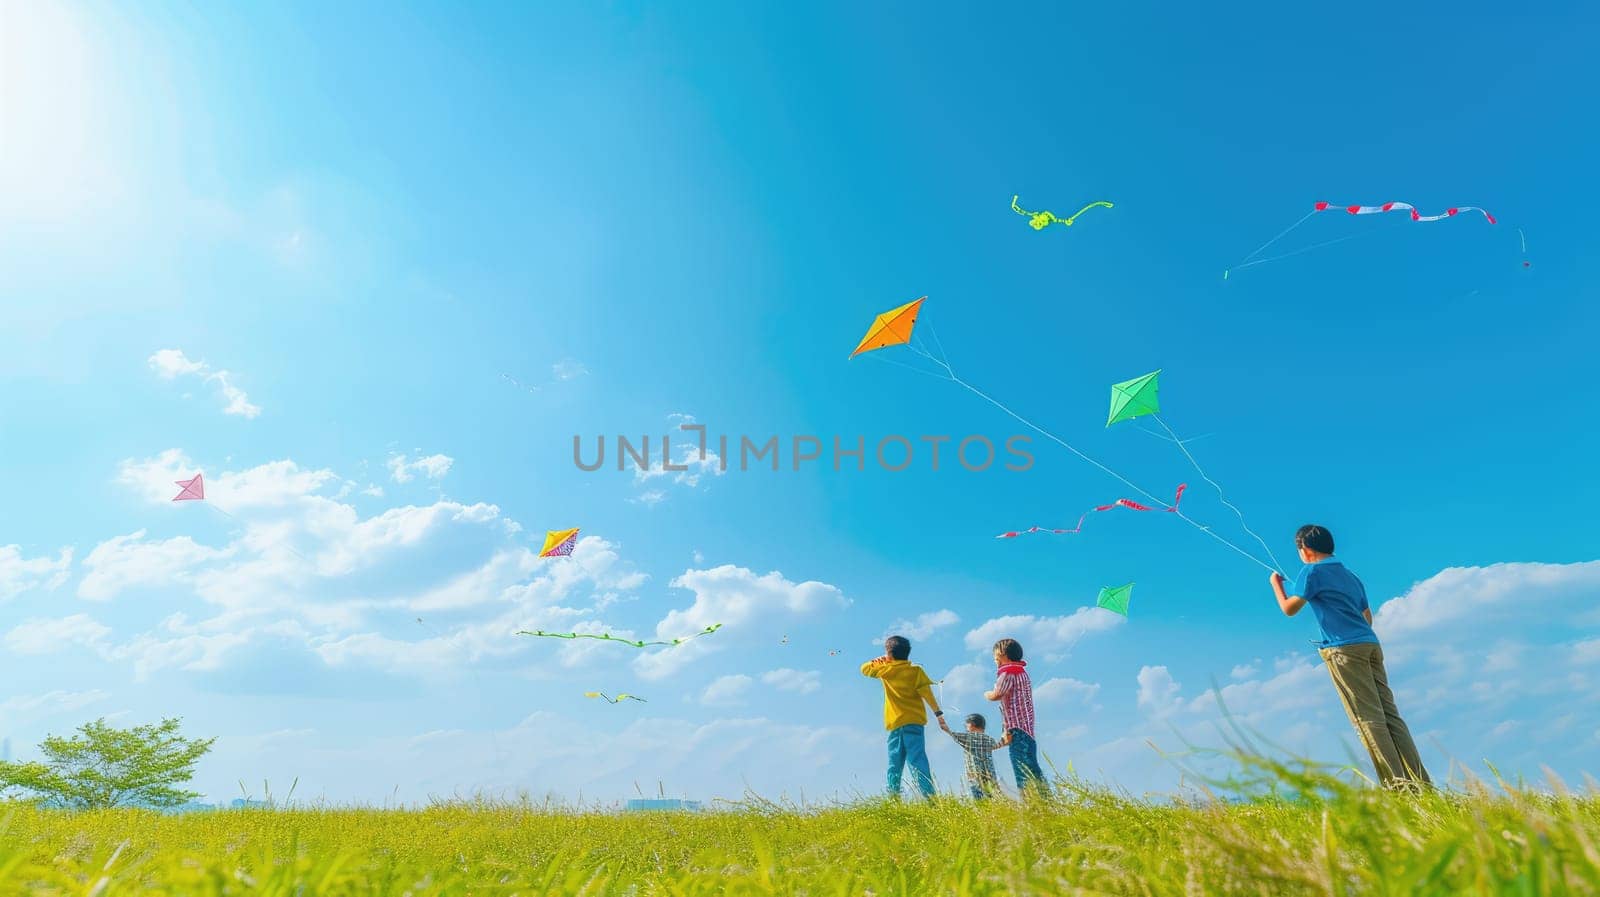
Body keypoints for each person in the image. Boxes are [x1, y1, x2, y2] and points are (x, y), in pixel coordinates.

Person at [1269, 524, 1430, 789]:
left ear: (1305, 550)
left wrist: (1276, 584)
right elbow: (1367, 616)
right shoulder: (1350, 575)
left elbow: (1289, 609)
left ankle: (1399, 789)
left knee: (1367, 718)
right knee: (1391, 716)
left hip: (1344, 650)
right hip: (1370, 645)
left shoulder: (1310, 571)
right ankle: (1421, 784)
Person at [861, 635, 944, 799]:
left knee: (895, 764)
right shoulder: (916, 671)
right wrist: (938, 713)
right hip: (915, 722)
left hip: (897, 723)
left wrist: (880, 660)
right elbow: (927, 693)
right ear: (908, 653)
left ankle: (893, 798)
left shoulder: (886, 670)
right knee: (919, 760)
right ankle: (931, 799)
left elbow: (864, 669)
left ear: (888, 654)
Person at [983, 638, 1050, 794]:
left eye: (996, 658)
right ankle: (1044, 798)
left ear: (1003, 655)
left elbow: (998, 694)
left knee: (1022, 768)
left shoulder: (1008, 672)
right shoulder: (1022, 673)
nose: (996, 662)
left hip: (1018, 729)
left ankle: (1032, 802)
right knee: (1031, 766)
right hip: (1025, 730)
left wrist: (987, 694)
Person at [938, 712, 1004, 799]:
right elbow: (997, 745)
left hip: (974, 774)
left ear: (972, 724)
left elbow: (953, 735)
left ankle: (982, 810)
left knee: (979, 798)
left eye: (967, 724)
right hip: (990, 774)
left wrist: (944, 726)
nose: (966, 727)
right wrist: (1004, 728)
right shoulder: (989, 739)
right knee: (991, 796)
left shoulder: (968, 737)